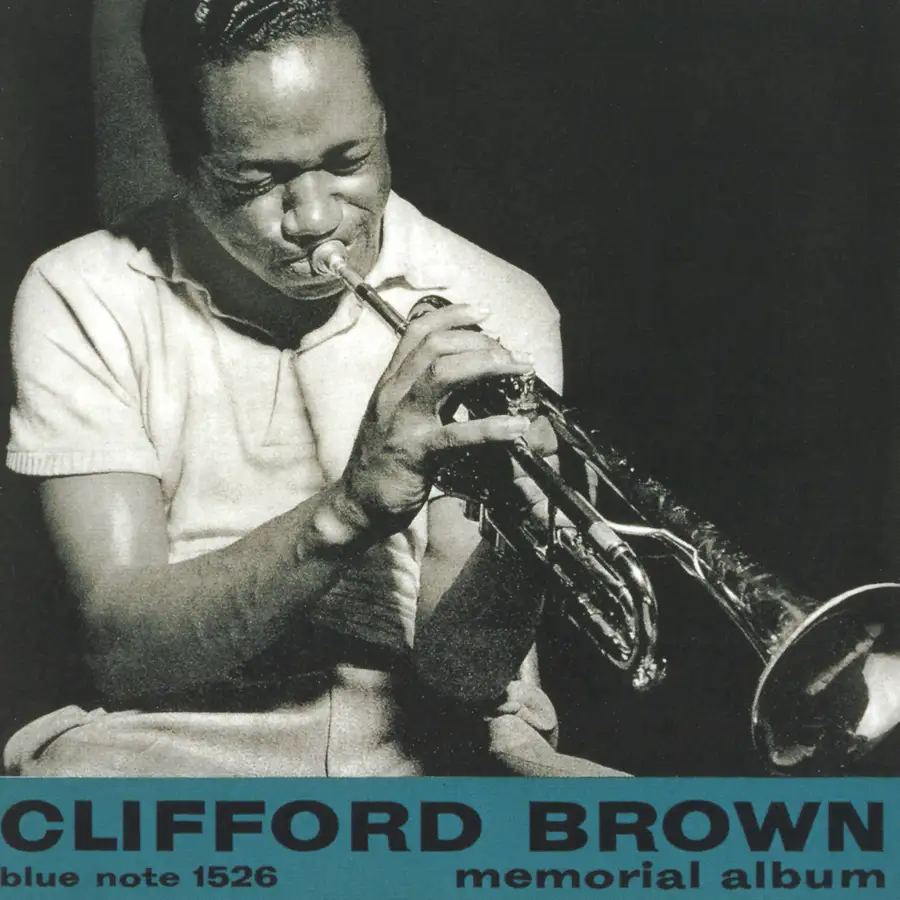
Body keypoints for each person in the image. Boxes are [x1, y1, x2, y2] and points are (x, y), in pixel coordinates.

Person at [3, 0, 624, 777]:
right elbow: (124, 655)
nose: (315, 219)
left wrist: (524, 544)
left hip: (432, 728)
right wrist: (351, 506)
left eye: (348, 161)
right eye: (257, 179)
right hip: (171, 728)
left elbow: (461, 678)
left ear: (382, 122)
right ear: (182, 159)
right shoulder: (81, 291)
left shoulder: (495, 298)